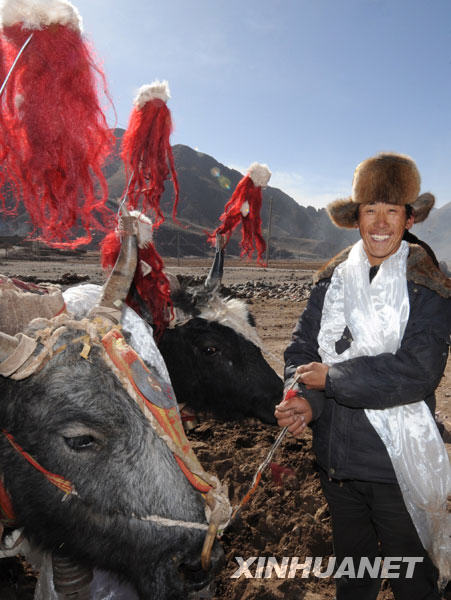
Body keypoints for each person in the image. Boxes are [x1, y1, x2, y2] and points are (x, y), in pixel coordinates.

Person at [275, 152, 450, 600]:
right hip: (337, 465)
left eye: (392, 211)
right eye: (371, 210)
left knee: (413, 581)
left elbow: (416, 372)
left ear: (409, 217)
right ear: (356, 218)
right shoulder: (331, 279)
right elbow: (300, 351)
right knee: (353, 580)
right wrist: (305, 401)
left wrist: (330, 381)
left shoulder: (426, 281)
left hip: (397, 468)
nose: (380, 223)